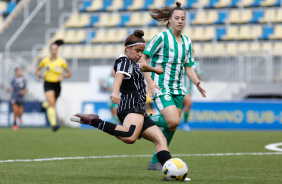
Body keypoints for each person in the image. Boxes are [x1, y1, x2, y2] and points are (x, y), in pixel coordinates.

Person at [71, 30, 179, 176]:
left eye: (142, 51)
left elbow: (142, 67)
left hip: (140, 110)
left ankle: (170, 170)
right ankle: (94, 121)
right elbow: (119, 76)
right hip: (130, 106)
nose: (140, 55)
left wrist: (154, 69)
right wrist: (115, 92)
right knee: (129, 136)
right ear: (127, 48)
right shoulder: (123, 61)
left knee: (160, 139)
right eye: (137, 51)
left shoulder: (133, 63)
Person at [139, 2, 206, 170]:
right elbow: (143, 60)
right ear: (170, 20)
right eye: (176, 18)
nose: (180, 21)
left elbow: (188, 67)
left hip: (178, 89)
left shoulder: (187, 42)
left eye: (183, 18)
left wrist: (197, 83)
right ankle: (141, 122)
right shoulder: (161, 37)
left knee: (173, 126)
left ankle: (155, 161)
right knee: (173, 120)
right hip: (161, 86)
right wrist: (150, 81)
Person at [35, 40, 71, 132]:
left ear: (57, 50)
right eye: (52, 49)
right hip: (48, 83)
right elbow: (37, 71)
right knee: (52, 103)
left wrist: (63, 76)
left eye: (55, 49)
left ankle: (44, 104)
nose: (54, 51)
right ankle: (54, 125)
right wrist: (40, 75)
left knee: (52, 103)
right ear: (50, 50)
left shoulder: (61, 61)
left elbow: (69, 73)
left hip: (57, 85)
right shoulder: (45, 61)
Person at [182, 52, 203, 132]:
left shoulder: (196, 64)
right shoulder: (181, 62)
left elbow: (200, 74)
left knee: (178, 108)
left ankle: (166, 122)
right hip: (181, 86)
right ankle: (185, 124)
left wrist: (196, 74)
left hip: (190, 89)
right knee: (189, 102)